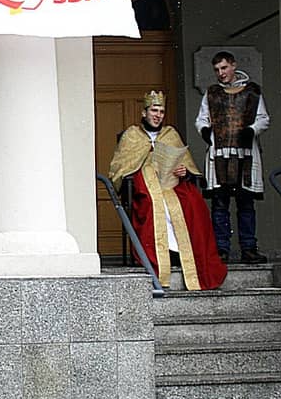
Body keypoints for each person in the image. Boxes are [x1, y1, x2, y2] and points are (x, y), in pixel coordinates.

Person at [109, 92, 228, 291]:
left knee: (193, 205)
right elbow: (120, 169)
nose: (158, 115)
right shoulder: (132, 135)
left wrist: (184, 171)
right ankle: (161, 258)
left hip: (172, 184)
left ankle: (185, 255)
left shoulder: (170, 134)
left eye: (161, 112)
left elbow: (187, 164)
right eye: (154, 111)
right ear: (144, 112)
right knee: (155, 205)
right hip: (145, 185)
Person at [195, 51, 270, 264]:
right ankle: (221, 249)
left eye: (224, 68)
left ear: (233, 66)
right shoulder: (212, 93)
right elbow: (201, 119)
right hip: (220, 154)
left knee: (246, 203)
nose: (221, 73)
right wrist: (205, 131)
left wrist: (252, 130)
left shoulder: (252, 92)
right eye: (217, 70)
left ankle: (249, 248)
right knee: (220, 204)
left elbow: (263, 118)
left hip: (245, 154)